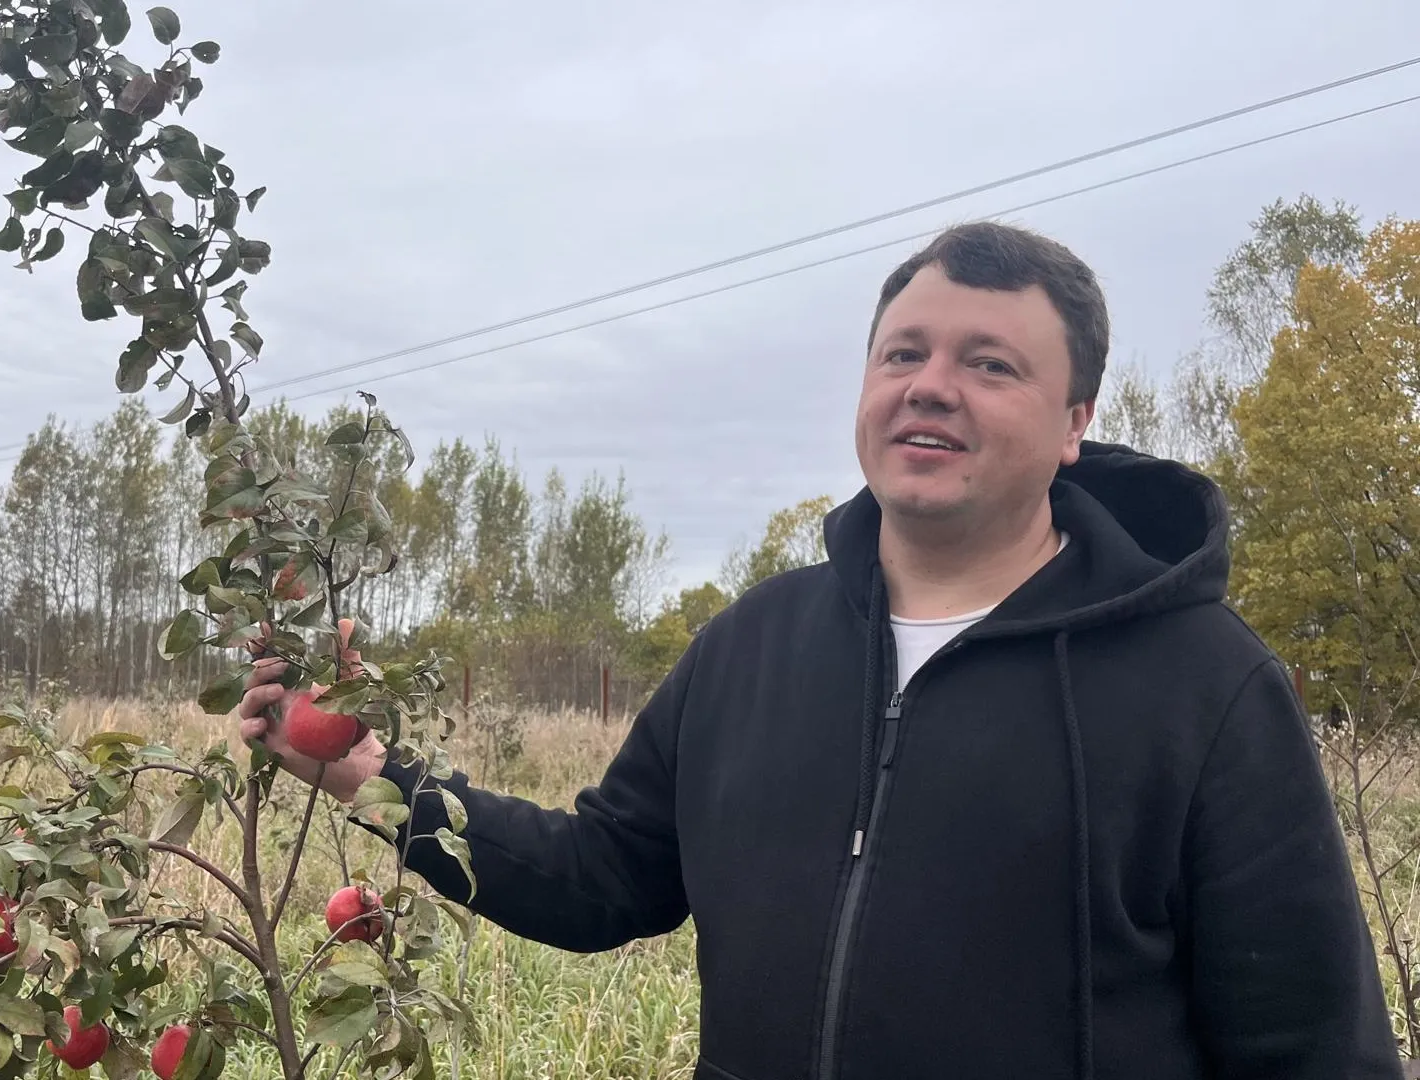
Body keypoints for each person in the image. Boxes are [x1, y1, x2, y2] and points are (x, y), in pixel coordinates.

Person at [235, 221, 1403, 1079]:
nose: (930, 388)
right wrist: (371, 776)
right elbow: (602, 878)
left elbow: (1312, 1049)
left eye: (990, 364)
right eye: (903, 355)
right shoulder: (753, 647)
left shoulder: (1205, 685)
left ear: (1075, 424)